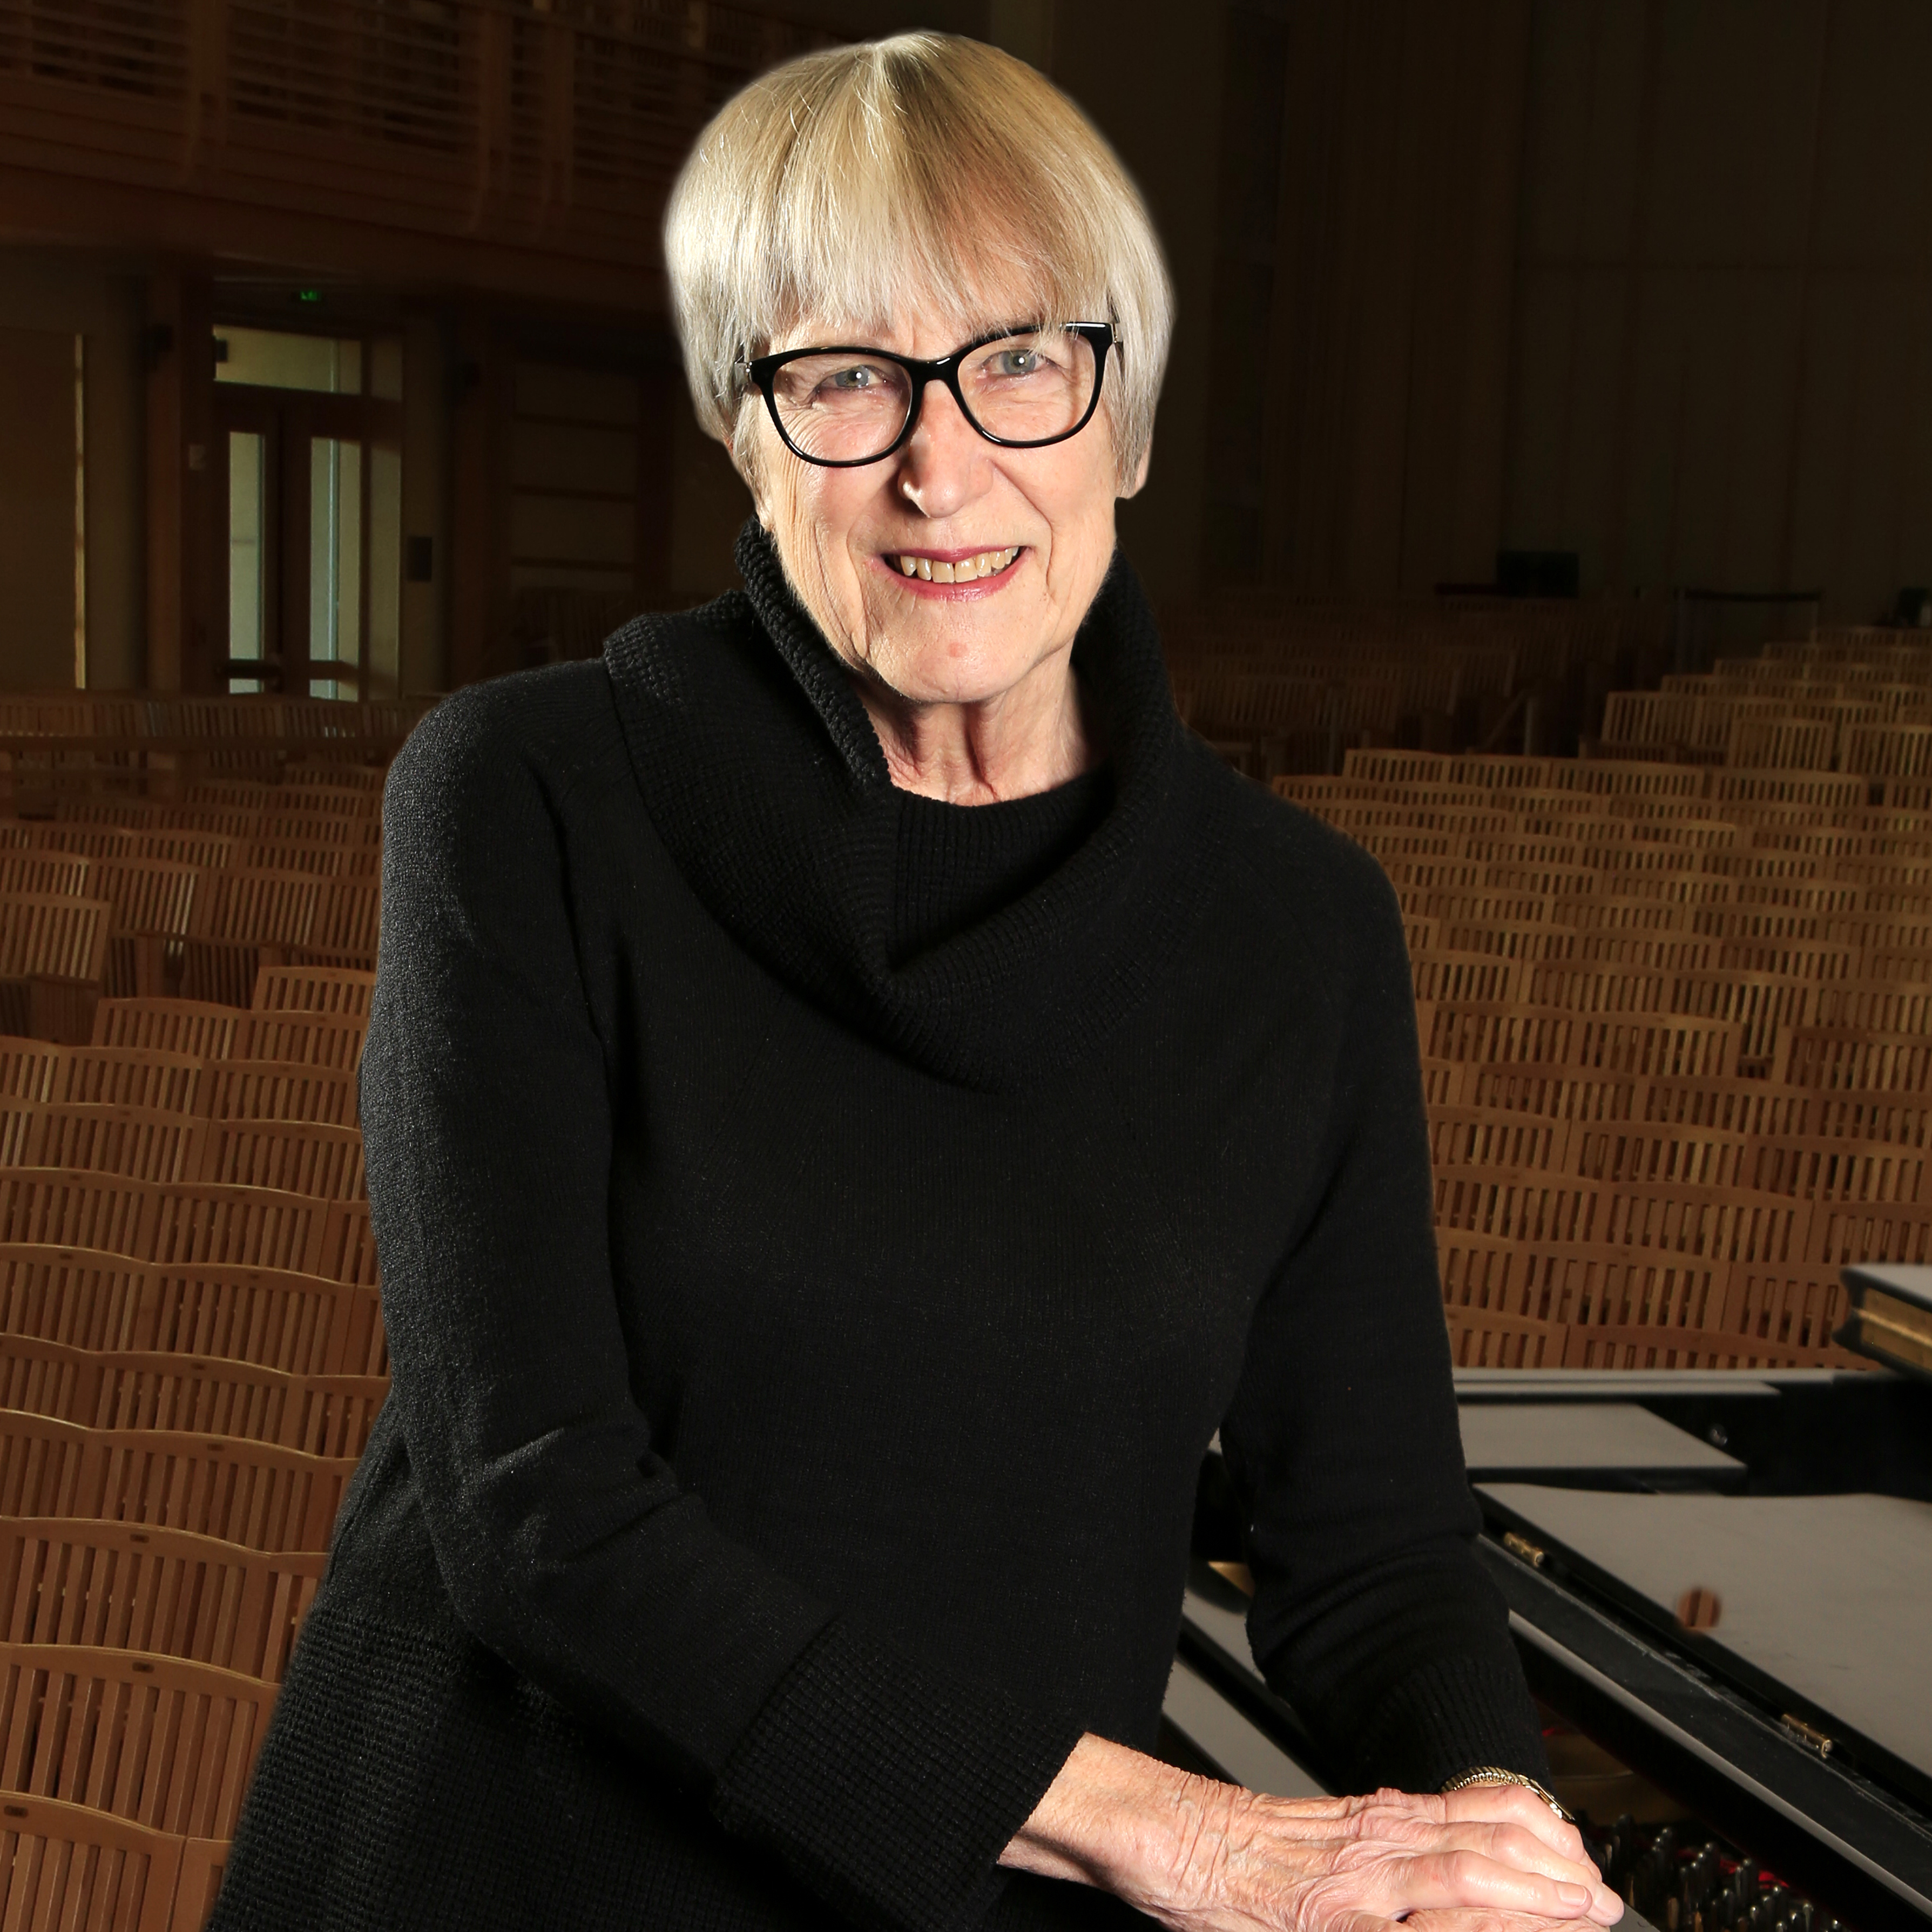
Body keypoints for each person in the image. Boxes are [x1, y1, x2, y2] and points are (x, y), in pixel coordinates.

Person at [212, 33, 1624, 1932]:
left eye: (1019, 362)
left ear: (1121, 418)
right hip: (501, 1871)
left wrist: (1494, 1826)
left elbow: (1370, 1545)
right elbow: (537, 1510)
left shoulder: (1299, 929)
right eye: (848, 377)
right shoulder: (529, 798)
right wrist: (1164, 1825)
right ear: (747, 425)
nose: (937, 463)